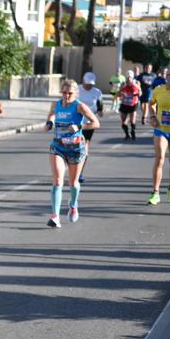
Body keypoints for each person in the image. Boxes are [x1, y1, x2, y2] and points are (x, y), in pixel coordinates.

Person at [44, 78, 101, 227]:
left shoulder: (80, 106)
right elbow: (51, 114)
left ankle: (73, 204)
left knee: (73, 183)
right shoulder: (55, 104)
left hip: (76, 148)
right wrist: (49, 123)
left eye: (70, 93)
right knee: (57, 181)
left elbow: (96, 123)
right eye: (64, 92)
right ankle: (55, 216)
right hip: (58, 146)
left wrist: (79, 126)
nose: (66, 96)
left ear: (76, 93)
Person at [146, 67, 170, 205]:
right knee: (160, 157)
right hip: (161, 129)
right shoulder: (159, 89)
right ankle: (155, 193)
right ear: (166, 76)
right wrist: (152, 116)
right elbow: (151, 103)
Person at [77, 72, 104, 183]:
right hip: (76, 121)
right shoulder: (77, 90)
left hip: (89, 123)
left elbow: (100, 104)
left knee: (84, 147)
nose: (89, 86)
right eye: (87, 84)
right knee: (73, 146)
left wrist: (100, 111)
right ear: (83, 81)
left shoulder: (97, 92)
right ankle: (74, 168)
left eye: (91, 84)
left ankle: (80, 173)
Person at [118, 70, 141, 140]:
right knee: (123, 123)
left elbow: (140, 93)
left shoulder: (136, 83)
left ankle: (133, 131)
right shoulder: (123, 84)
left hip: (133, 104)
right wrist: (122, 94)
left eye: (130, 77)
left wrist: (135, 94)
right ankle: (127, 134)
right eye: (127, 77)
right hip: (124, 104)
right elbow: (119, 93)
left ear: (132, 77)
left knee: (132, 121)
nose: (128, 79)